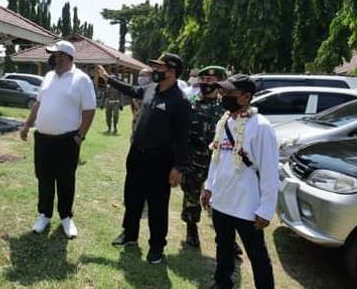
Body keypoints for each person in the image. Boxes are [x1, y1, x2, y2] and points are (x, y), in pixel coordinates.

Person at [197, 74, 279, 289]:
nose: (224, 96)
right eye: (223, 92)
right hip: (222, 199)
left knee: (257, 257)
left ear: (246, 96)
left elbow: (269, 172)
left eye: (230, 92)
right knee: (223, 245)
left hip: (247, 204)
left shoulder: (262, 127)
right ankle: (222, 286)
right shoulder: (224, 121)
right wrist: (209, 187)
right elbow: (216, 158)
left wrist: (266, 208)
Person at [97, 52, 191, 264]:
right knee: (132, 198)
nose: (156, 71)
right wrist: (108, 78)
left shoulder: (180, 101)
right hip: (137, 155)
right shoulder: (150, 89)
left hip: (160, 160)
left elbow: (182, 138)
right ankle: (129, 234)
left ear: (172, 72)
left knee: (157, 205)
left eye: (160, 68)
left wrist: (178, 167)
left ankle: (157, 246)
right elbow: (131, 90)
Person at [20, 40, 96, 239]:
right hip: (43, 139)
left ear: (68, 57)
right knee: (44, 177)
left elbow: (89, 110)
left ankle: (66, 217)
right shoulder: (48, 77)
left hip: (67, 140)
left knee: (65, 179)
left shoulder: (81, 79)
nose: (55, 59)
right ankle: (44, 214)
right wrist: (27, 125)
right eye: (54, 56)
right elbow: (38, 103)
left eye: (58, 55)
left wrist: (80, 136)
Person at [180, 65, 227, 248]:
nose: (207, 83)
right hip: (194, 160)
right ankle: (191, 230)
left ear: (220, 82)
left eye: (211, 80)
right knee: (191, 195)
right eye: (204, 80)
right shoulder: (190, 104)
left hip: (219, 162)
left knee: (222, 199)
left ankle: (226, 236)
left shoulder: (227, 108)